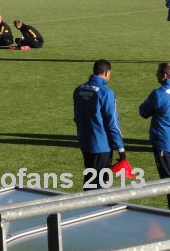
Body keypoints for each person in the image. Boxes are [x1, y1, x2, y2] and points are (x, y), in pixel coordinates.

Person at [73, 59, 126, 189]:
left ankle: (85, 206)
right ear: (107, 72)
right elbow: (112, 123)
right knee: (99, 185)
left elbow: (77, 117)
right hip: (102, 145)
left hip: (85, 143)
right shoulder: (106, 93)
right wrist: (121, 149)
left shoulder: (79, 89)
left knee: (90, 179)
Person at [139, 62, 170, 208]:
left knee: (167, 181)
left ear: (164, 75)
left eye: (158, 72)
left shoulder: (158, 94)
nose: (156, 75)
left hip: (164, 143)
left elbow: (143, 112)